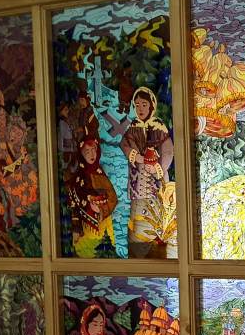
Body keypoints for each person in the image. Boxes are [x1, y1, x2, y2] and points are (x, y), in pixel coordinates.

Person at [117, 87, 174, 257]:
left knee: (156, 216)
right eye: (137, 105)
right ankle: (138, 253)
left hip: (155, 184)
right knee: (138, 218)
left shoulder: (159, 128)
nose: (140, 109)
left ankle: (158, 251)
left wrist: (157, 168)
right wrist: (136, 156)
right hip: (138, 185)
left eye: (144, 104)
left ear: (151, 106)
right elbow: (124, 145)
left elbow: (168, 151)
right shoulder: (132, 128)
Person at [66, 135, 118, 254]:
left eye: (94, 150)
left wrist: (102, 209)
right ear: (81, 154)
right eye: (87, 152)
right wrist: (88, 203)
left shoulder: (101, 173)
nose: (91, 154)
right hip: (87, 224)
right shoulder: (78, 178)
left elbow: (113, 197)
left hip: (105, 221)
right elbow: (73, 202)